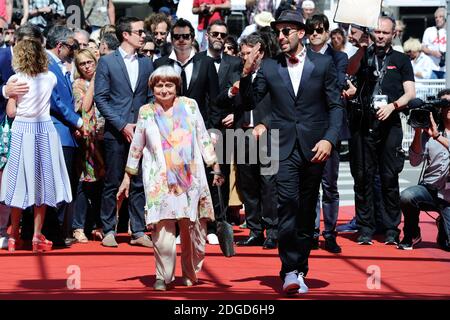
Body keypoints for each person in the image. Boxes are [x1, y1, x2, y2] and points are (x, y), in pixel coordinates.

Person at [239, 10, 344, 295]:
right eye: (278, 32)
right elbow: (249, 101)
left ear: (302, 33)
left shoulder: (323, 64)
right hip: (283, 148)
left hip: (315, 147)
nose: (281, 37)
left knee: (307, 210)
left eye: (287, 31)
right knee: (287, 205)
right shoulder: (271, 66)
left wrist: (330, 140)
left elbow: (335, 106)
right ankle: (289, 270)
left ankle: (300, 268)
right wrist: (247, 73)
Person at [117, 66, 223, 291]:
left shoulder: (190, 106)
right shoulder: (146, 111)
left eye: (169, 85)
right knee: (162, 230)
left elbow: (203, 136)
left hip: (191, 177)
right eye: (159, 85)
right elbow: (137, 145)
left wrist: (214, 165)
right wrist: (128, 176)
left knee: (193, 229)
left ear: (177, 87)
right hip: (159, 179)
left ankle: (190, 272)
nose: (164, 90)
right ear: (152, 88)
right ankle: (162, 276)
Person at [347, 16, 415, 245]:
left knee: (388, 178)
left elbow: (410, 93)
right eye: (377, 31)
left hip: (390, 124)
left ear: (393, 34)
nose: (380, 36)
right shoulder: (364, 56)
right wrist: (361, 49)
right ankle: (365, 228)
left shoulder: (402, 60)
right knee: (363, 177)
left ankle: (391, 229)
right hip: (363, 123)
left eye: (385, 32)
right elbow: (349, 70)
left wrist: (392, 106)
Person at [1, 39, 72, 252]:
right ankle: (36, 236)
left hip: (22, 130)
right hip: (44, 130)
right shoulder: (50, 78)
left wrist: (11, 96)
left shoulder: (16, 79)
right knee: (41, 183)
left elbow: (11, 113)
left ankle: (13, 235)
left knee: (17, 183)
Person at [94, 16, 154, 248]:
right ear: (125, 35)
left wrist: (142, 124)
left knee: (139, 182)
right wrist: (121, 125)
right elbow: (101, 97)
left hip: (140, 132)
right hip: (116, 132)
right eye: (139, 32)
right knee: (112, 181)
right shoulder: (107, 62)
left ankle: (138, 230)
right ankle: (108, 229)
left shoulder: (147, 63)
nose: (143, 36)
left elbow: (149, 97)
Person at [224, 33, 279, 249]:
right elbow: (223, 99)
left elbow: (281, 104)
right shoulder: (236, 73)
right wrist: (231, 96)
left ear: (261, 53)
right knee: (248, 185)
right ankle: (255, 230)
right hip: (241, 134)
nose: (246, 57)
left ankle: (272, 231)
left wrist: (265, 123)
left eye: (251, 53)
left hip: (267, 135)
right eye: (243, 53)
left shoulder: (273, 73)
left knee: (268, 185)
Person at [307, 14, 348, 254]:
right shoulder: (300, 57)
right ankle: (312, 232)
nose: (315, 33)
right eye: (311, 29)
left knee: (330, 185)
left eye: (320, 29)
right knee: (310, 185)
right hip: (307, 127)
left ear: (327, 31)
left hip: (330, 127)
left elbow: (337, 83)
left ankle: (330, 233)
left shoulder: (338, 57)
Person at [45, 25, 84, 248]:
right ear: (60, 46)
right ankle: (54, 233)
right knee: (58, 184)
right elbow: (56, 102)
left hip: (64, 133)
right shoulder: (49, 66)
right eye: (71, 46)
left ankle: (57, 232)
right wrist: (78, 122)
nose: (73, 51)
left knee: (63, 183)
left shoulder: (58, 66)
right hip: (57, 133)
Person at [398, 89, 450, 251]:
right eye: (445, 104)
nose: (448, 108)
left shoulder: (435, 135)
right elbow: (414, 162)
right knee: (407, 195)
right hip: (430, 190)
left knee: (447, 245)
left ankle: (443, 226)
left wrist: (438, 137)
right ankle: (412, 233)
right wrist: (418, 132)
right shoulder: (429, 132)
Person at [71, 49, 105, 243]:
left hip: (104, 136)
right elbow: (84, 106)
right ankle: (78, 227)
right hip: (87, 139)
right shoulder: (79, 84)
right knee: (85, 183)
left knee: (102, 183)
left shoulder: (105, 79)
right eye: (82, 64)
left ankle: (98, 225)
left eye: (90, 62)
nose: (87, 66)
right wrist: (93, 82)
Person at [422, 7, 446, 79]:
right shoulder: (429, 30)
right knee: (432, 90)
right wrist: (433, 52)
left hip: (447, 69)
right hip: (432, 68)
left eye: (440, 17)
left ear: (445, 18)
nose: (437, 19)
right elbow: (423, 47)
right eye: (436, 17)